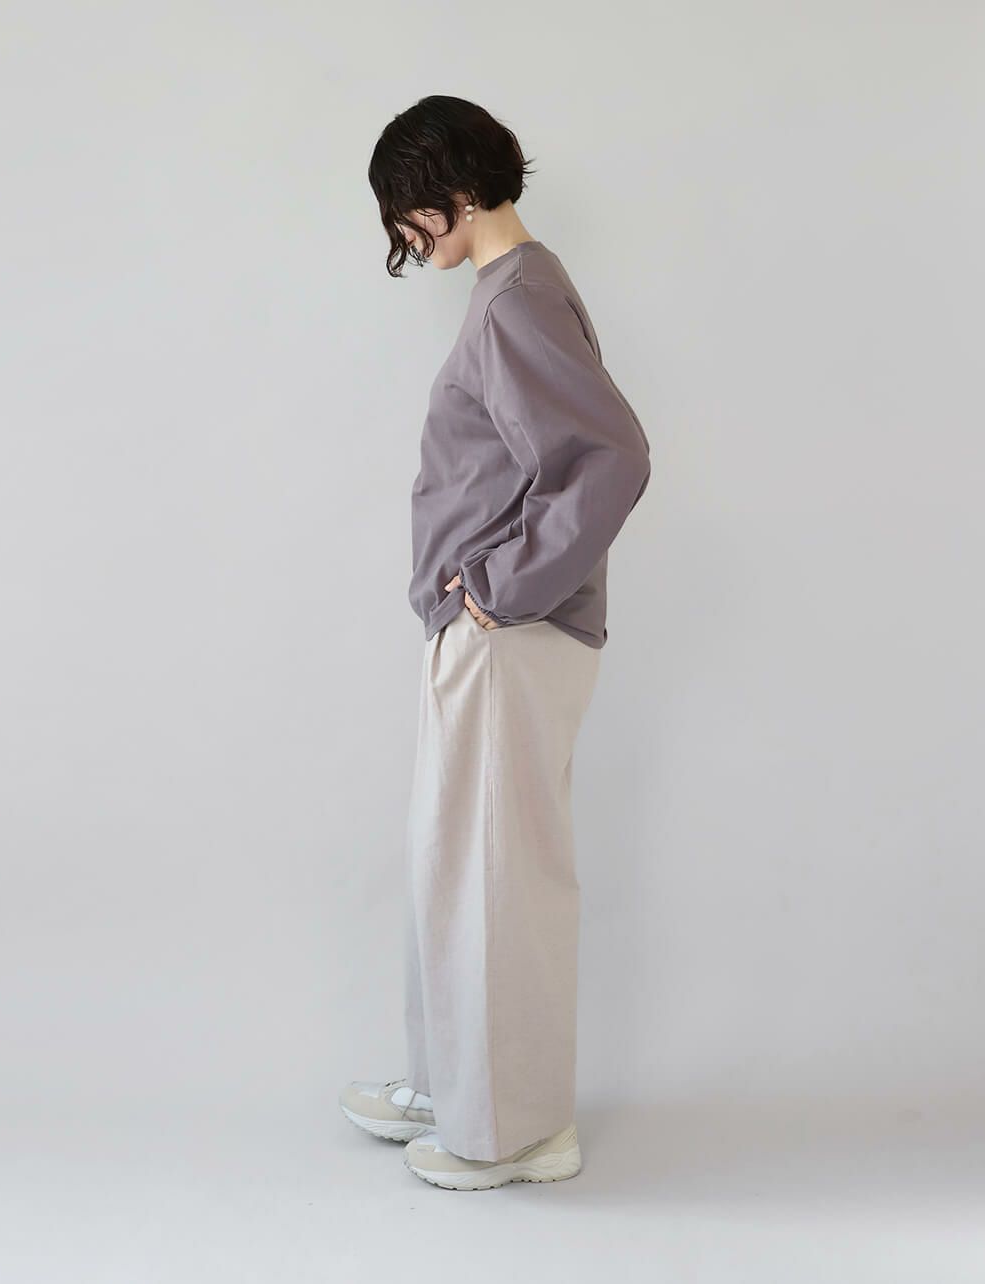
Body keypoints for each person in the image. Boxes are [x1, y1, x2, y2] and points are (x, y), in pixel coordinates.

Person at [339, 95, 652, 1191]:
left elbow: (610, 457)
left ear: (454, 190)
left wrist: (498, 586)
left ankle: (515, 1130)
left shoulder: (517, 298)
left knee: (494, 878)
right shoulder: (510, 290)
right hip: (487, 631)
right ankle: (456, 1085)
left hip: (511, 634)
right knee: (455, 867)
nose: (402, 233)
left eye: (405, 209)